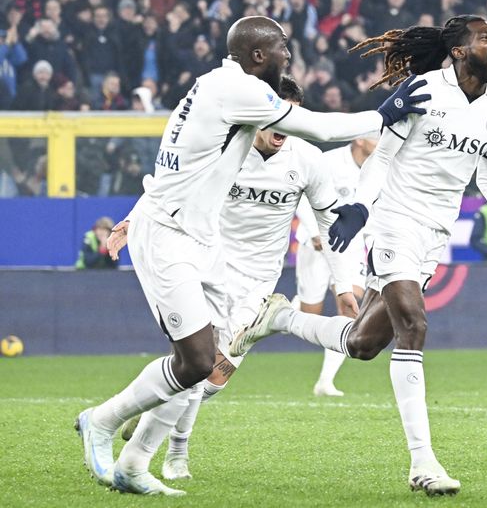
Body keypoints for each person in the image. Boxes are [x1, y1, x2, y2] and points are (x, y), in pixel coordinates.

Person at [75, 15, 430, 497]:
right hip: (172, 237)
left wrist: (342, 283)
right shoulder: (237, 89)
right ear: (259, 55)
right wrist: (385, 113)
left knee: (200, 371)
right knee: (197, 362)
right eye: (283, 48)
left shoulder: (221, 92)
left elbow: (176, 164)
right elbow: (319, 126)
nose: (288, 55)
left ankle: (135, 462)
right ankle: (102, 422)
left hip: (212, 252)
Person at [228, 15, 487, 496]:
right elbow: (382, 158)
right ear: (457, 50)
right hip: (395, 219)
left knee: (364, 344)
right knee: (414, 323)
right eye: (486, 37)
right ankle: (423, 463)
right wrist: (359, 209)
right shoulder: (424, 90)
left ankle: (278, 318)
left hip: (435, 233)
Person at [110, 76, 361, 481]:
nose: (283, 128)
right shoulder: (226, 146)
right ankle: (176, 455)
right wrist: (130, 221)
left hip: (259, 280)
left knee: (213, 379)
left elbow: (329, 221)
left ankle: (145, 412)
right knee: (197, 363)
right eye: (277, 118)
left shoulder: (309, 160)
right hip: (209, 264)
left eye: (292, 119)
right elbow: (169, 186)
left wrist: (343, 285)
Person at [294, 137, 377, 397]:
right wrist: (313, 230)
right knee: (311, 312)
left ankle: (325, 382)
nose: (382, 139)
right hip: (317, 243)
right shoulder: (328, 162)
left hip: (351, 247)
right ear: (360, 139)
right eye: (376, 134)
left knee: (350, 306)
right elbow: (299, 197)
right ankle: (279, 311)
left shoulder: (380, 166)